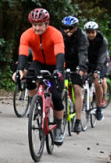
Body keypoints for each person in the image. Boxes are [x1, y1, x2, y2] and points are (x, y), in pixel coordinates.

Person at [14, 8, 66, 145]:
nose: (37, 28)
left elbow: (60, 54)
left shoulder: (55, 34)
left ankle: (58, 127)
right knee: (29, 78)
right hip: (38, 63)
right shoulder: (26, 35)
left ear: (46, 23)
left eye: (40, 25)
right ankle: (35, 103)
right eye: (34, 25)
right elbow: (23, 54)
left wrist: (58, 71)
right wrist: (20, 70)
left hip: (55, 65)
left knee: (56, 96)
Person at [60, 15, 89, 133]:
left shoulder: (82, 36)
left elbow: (82, 52)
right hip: (64, 63)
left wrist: (81, 68)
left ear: (76, 27)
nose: (67, 30)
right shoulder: (61, 35)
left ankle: (78, 119)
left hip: (77, 64)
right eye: (65, 28)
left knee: (77, 89)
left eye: (70, 28)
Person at [83, 21, 111, 120]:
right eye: (88, 32)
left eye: (92, 32)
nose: (90, 35)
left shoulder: (103, 41)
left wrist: (97, 70)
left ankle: (99, 109)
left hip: (102, 62)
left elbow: (102, 56)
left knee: (98, 82)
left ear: (96, 32)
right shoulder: (83, 39)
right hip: (89, 61)